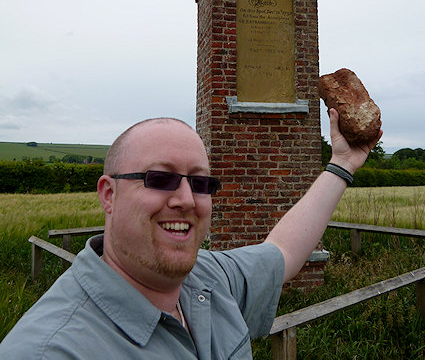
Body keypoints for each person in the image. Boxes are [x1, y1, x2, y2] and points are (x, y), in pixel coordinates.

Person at [0, 109, 381, 359]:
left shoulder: (210, 281)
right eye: (160, 179)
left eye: (200, 183)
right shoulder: (50, 350)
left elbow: (282, 251)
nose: (186, 199)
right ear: (108, 194)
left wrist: (342, 164)